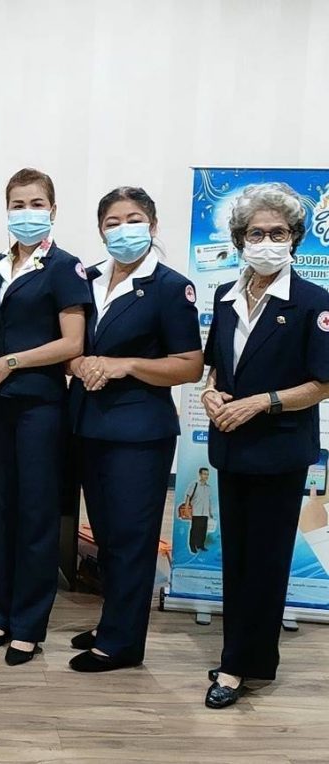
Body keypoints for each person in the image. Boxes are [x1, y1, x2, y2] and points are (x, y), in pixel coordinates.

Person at [201, 182, 329, 708]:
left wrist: (262, 403)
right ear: (240, 240)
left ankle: (239, 666)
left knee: (267, 561)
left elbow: (322, 384)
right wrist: (210, 394)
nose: (267, 242)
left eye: (278, 233)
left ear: (295, 238)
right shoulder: (225, 297)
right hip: (231, 446)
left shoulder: (313, 302)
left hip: (279, 449)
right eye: (256, 233)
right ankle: (246, 657)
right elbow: (215, 368)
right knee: (237, 558)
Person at [67, 186, 203, 672]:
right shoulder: (87, 278)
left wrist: (123, 365)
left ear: (153, 224)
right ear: (100, 229)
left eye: (133, 219)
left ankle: (123, 644)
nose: (123, 230)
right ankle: (114, 622)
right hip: (89, 424)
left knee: (132, 536)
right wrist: (80, 364)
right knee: (106, 535)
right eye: (112, 222)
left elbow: (189, 365)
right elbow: (72, 346)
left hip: (140, 432)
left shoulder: (170, 287)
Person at [0, 168, 92, 666]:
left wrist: (10, 363)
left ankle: (29, 624)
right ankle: (0, 613)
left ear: (53, 210)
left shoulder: (65, 267)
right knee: (0, 508)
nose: (27, 213)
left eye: (36, 203)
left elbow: (72, 343)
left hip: (40, 404)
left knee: (37, 513)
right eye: (18, 205)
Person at [186, 468, 214, 553]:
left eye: (207, 474)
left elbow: (209, 501)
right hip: (196, 512)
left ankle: (200, 545)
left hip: (205, 513)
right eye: (204, 474)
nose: (206, 476)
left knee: (203, 530)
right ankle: (192, 546)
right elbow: (188, 497)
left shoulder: (208, 488)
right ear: (200, 474)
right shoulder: (194, 485)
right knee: (195, 530)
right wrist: (187, 510)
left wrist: (210, 512)